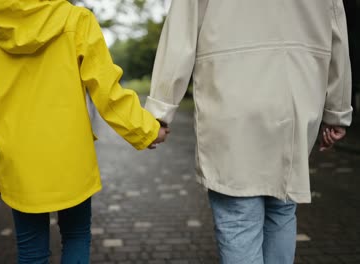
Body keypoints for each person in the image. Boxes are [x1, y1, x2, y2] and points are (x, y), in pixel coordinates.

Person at [145, 0, 352, 263]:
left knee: (238, 215)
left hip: (231, 101)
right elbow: (337, 32)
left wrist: (160, 112)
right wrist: (337, 110)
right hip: (296, 100)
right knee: (282, 209)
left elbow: (180, 34)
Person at [0, 0, 169, 263]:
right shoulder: (76, 20)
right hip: (71, 159)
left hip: (19, 166)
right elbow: (107, 92)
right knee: (76, 236)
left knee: (31, 251)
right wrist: (147, 130)